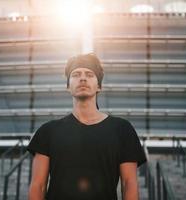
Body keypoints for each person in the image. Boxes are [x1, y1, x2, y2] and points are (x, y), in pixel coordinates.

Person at [27, 53, 147, 200]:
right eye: (76, 74)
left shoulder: (122, 129)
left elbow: (129, 184)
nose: (82, 78)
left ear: (99, 86)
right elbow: (38, 186)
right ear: (67, 87)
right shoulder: (48, 131)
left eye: (89, 74)